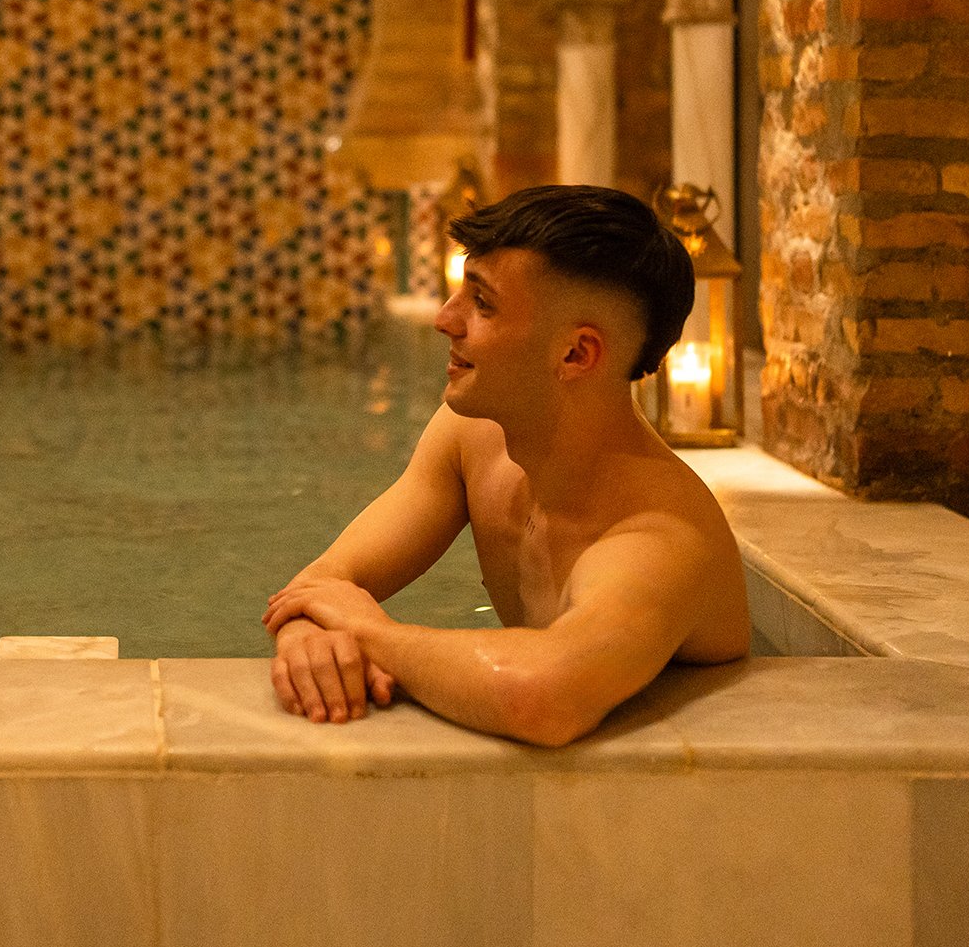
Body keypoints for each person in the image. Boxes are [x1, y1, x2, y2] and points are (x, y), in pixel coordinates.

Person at [261, 184, 749, 746]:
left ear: (575, 354)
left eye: (483, 303)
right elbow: (322, 584)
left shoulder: (657, 542)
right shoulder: (473, 438)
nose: (445, 318)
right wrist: (307, 639)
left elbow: (540, 698)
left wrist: (368, 632)